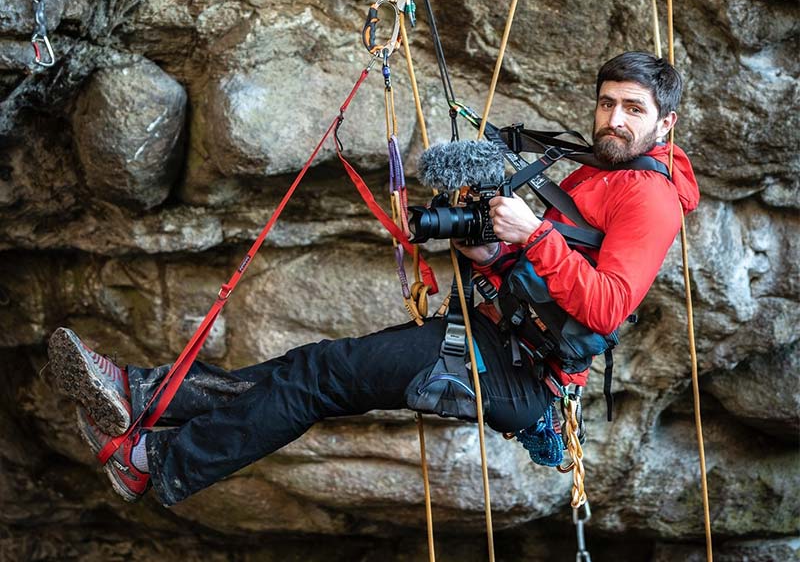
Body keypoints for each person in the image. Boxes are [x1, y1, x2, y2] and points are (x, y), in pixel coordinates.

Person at [48, 51, 700, 506]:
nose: (615, 119)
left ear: (663, 122)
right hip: (499, 339)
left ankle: (155, 466)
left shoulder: (651, 197)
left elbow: (607, 306)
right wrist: (485, 247)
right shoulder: (598, 170)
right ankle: (143, 396)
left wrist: (531, 232)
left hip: (522, 375)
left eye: (632, 109)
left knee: (318, 378)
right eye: (608, 103)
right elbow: (550, 267)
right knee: (311, 370)